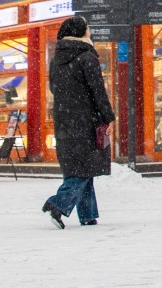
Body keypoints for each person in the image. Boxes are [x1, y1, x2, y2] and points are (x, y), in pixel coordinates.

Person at [42, 16, 115, 228]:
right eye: (87, 28)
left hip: (64, 118)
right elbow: (97, 90)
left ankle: (88, 215)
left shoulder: (57, 59)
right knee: (83, 166)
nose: (89, 31)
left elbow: (54, 89)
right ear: (81, 32)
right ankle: (58, 204)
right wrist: (108, 117)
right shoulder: (86, 56)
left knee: (80, 164)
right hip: (85, 119)